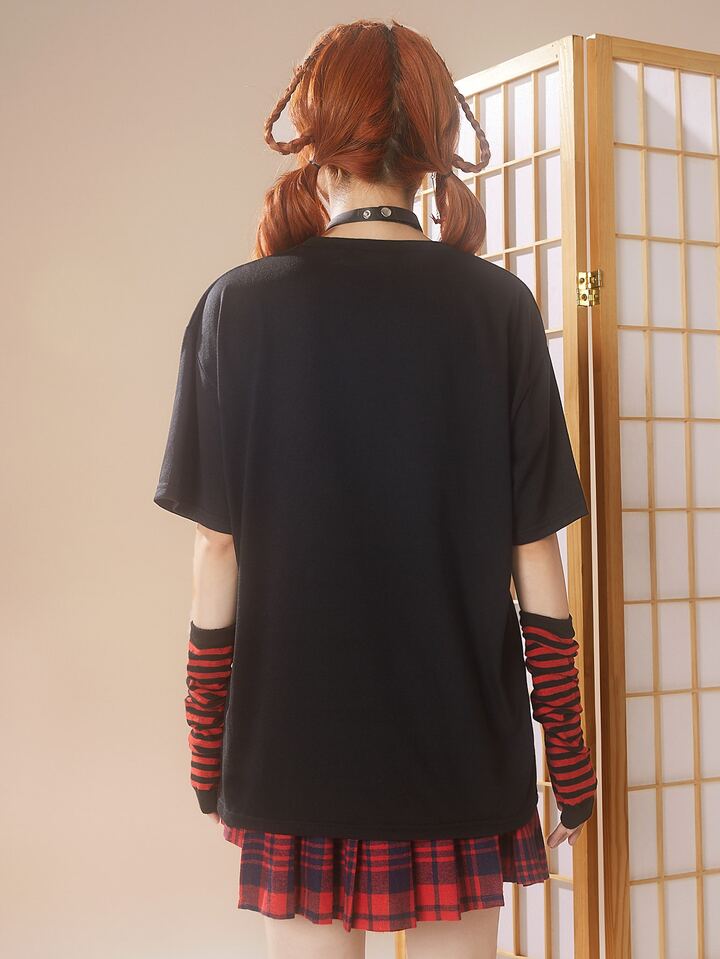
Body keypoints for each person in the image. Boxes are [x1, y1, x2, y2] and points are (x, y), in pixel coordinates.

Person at [153, 17, 597, 959]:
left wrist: (206, 747)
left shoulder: (237, 307)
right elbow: (536, 557)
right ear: (432, 148)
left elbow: (216, 547)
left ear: (317, 141)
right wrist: (570, 759)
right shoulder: (499, 310)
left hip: (292, 750)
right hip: (460, 750)